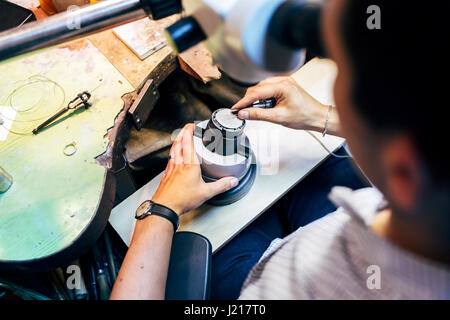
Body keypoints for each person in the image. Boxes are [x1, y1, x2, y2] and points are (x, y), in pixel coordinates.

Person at [110, 0, 450, 299]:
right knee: (317, 170)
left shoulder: (305, 289)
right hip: (352, 222)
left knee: (219, 235)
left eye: (343, 73)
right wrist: (321, 116)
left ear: (404, 171)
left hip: (271, 271)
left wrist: (161, 210)